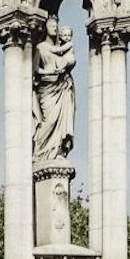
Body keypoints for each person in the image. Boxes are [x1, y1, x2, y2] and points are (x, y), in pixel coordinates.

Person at [32, 16, 76, 163]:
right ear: (45, 28)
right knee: (49, 121)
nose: (55, 28)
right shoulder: (41, 47)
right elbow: (36, 69)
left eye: (56, 26)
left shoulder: (61, 49)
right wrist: (48, 73)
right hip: (47, 88)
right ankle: (39, 152)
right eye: (51, 26)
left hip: (62, 87)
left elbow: (69, 60)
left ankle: (57, 150)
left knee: (61, 121)